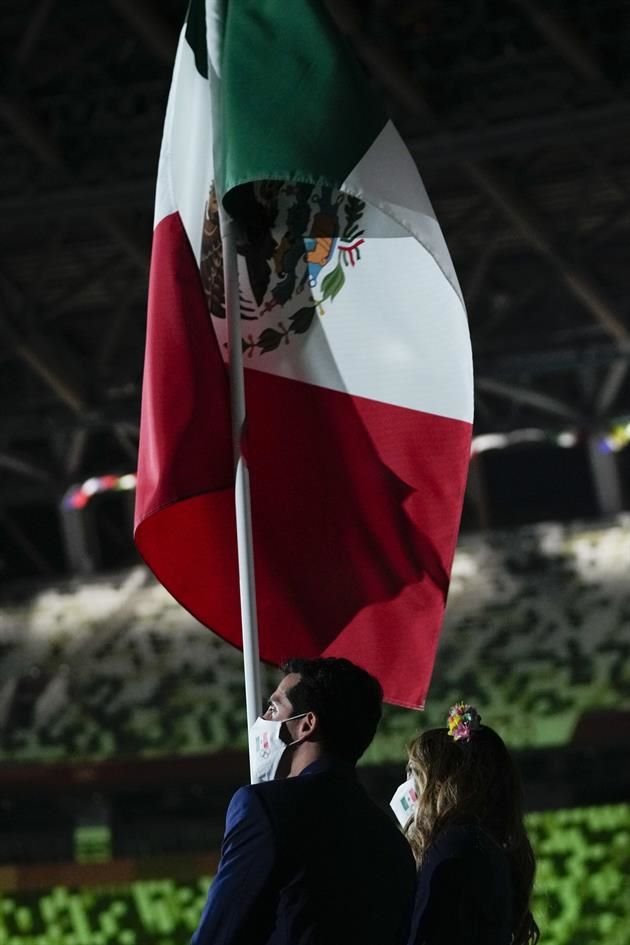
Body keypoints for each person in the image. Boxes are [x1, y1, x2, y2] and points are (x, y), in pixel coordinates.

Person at [192, 656, 416, 945]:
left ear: (307, 724)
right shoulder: (393, 843)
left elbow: (219, 933)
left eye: (273, 708)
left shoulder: (263, 808)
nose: (263, 721)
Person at [390, 703, 539, 945]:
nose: (408, 788)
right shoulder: (480, 846)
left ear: (440, 783)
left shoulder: (456, 847)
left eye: (414, 773)